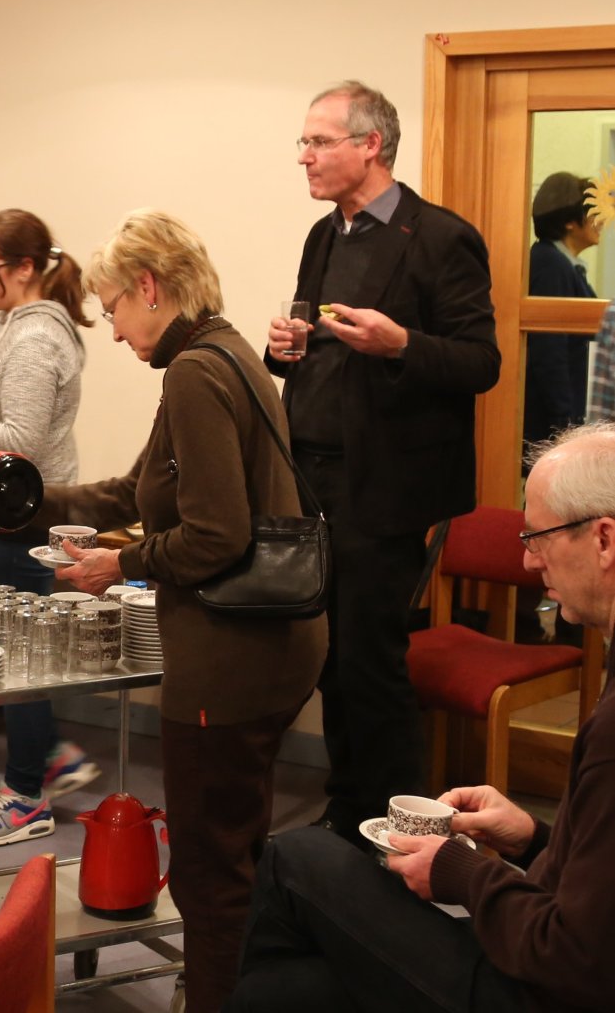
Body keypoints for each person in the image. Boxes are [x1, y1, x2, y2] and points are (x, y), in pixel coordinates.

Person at [228, 420, 615, 1013]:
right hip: (544, 957)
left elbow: (574, 958)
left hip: (536, 992)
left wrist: (461, 874)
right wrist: (532, 838)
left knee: (295, 858)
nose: (529, 559)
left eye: (538, 537)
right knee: (282, 992)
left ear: (604, 540)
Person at [43, 210, 326, 1013]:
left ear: (149, 287)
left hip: (229, 660)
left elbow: (213, 535)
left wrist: (120, 564)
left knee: (208, 870)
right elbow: (137, 493)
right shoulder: (224, 352)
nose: (111, 329)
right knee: (231, 849)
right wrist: (29, 499)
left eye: (111, 309)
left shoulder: (194, 374)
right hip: (274, 646)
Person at [270, 80, 500, 844]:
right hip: (312, 473)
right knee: (326, 656)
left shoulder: (439, 238)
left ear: (369, 145)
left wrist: (400, 342)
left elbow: (479, 362)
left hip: (386, 484)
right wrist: (285, 352)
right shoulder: (323, 235)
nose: (302, 156)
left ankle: (398, 826)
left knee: (368, 658)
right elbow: (311, 338)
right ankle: (346, 810)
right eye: (302, 142)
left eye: (317, 141)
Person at [0, 207, 100, 846]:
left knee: (17, 655)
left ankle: (26, 797)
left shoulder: (37, 339)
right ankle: (46, 756)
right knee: (5, 639)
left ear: (19, 269)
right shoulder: (13, 325)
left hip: (26, 519)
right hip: (6, 514)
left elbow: (23, 438)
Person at [523, 172, 600, 458]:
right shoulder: (549, 263)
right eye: (592, 212)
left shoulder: (562, 264)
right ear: (570, 220)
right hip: (550, 422)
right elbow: (549, 352)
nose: (600, 221)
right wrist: (564, 424)